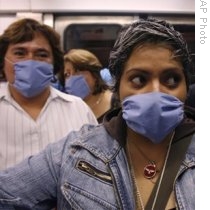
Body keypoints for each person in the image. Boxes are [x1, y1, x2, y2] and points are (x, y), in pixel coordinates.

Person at [0, 17, 194, 210]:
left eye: (171, 79)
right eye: (138, 79)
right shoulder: (74, 153)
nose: (155, 92)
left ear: (187, 87)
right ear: (118, 89)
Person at [0, 18, 98, 170]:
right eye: (20, 53)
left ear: (54, 64)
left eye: (42, 54)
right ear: (3, 61)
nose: (30, 61)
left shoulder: (78, 109)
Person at [64, 49, 118, 122]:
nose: (72, 78)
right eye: (67, 74)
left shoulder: (117, 102)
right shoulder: (66, 110)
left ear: (94, 75)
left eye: (77, 71)